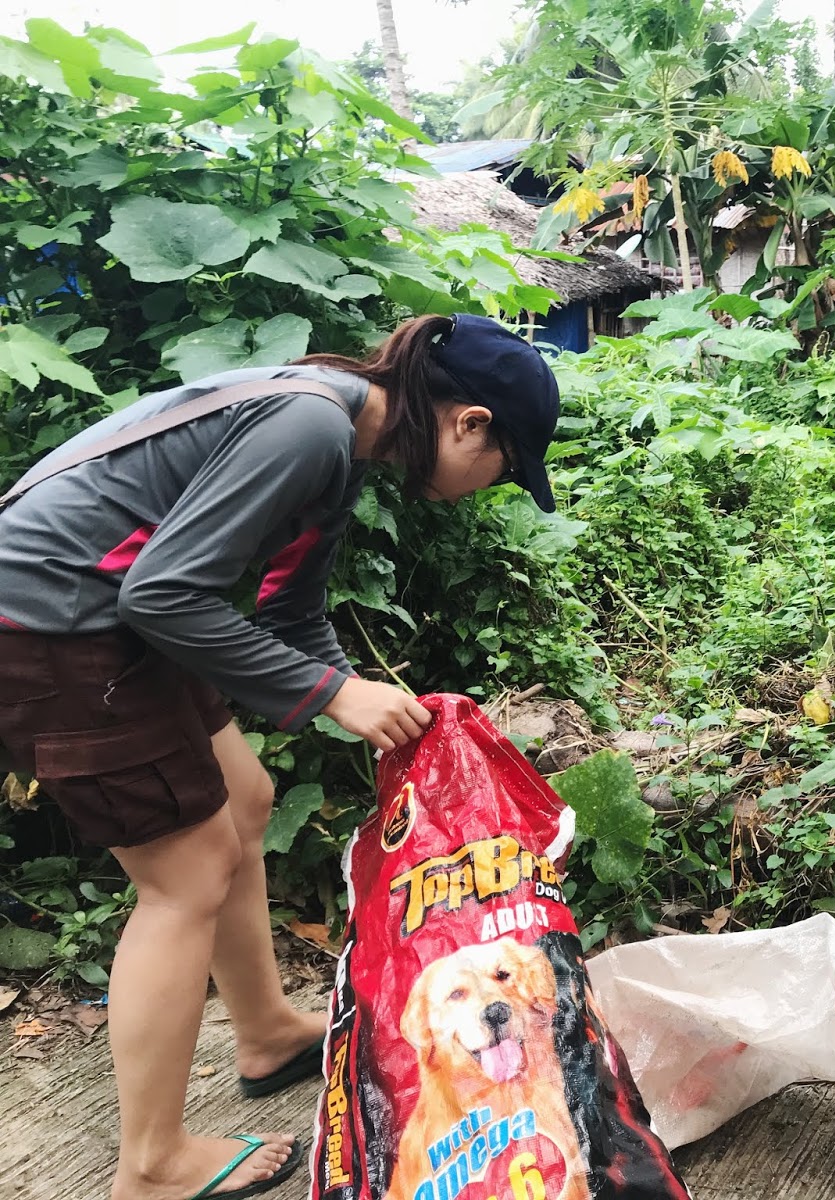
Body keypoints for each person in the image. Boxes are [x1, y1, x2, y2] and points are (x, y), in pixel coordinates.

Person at [0, 314, 560, 1200]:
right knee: (185, 873)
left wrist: (357, 692)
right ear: (471, 423)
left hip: (111, 614)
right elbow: (165, 592)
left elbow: (288, 609)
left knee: (245, 796)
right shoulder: (311, 427)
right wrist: (337, 697)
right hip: (51, 620)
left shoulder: (343, 442)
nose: (490, 486)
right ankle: (150, 1164)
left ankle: (264, 1033)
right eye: (505, 467)